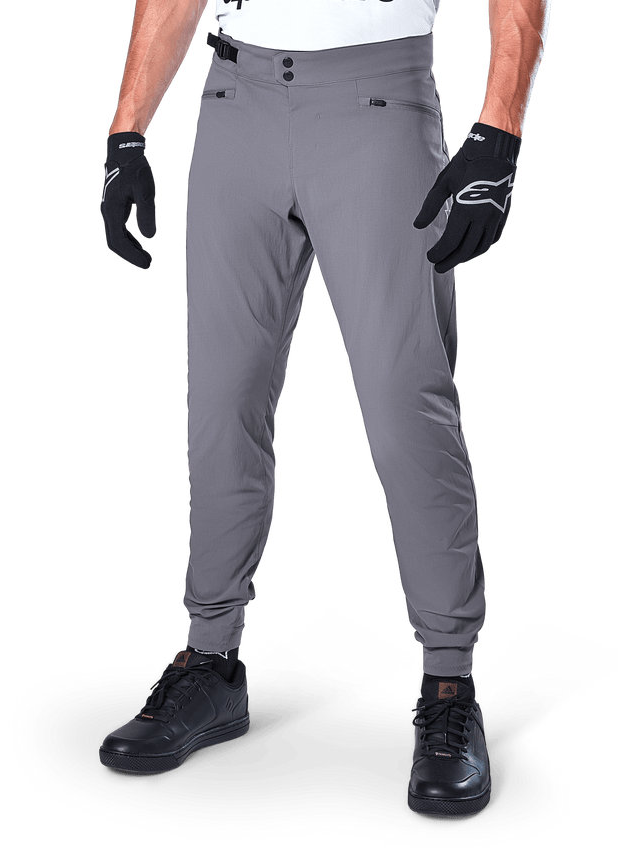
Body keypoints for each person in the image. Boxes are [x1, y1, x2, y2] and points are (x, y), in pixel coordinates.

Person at [98, 0, 552, 820]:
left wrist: (500, 132)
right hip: (234, 102)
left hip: (377, 103)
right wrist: (126, 132)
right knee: (221, 407)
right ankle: (211, 660)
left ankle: (449, 681)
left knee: (406, 407)